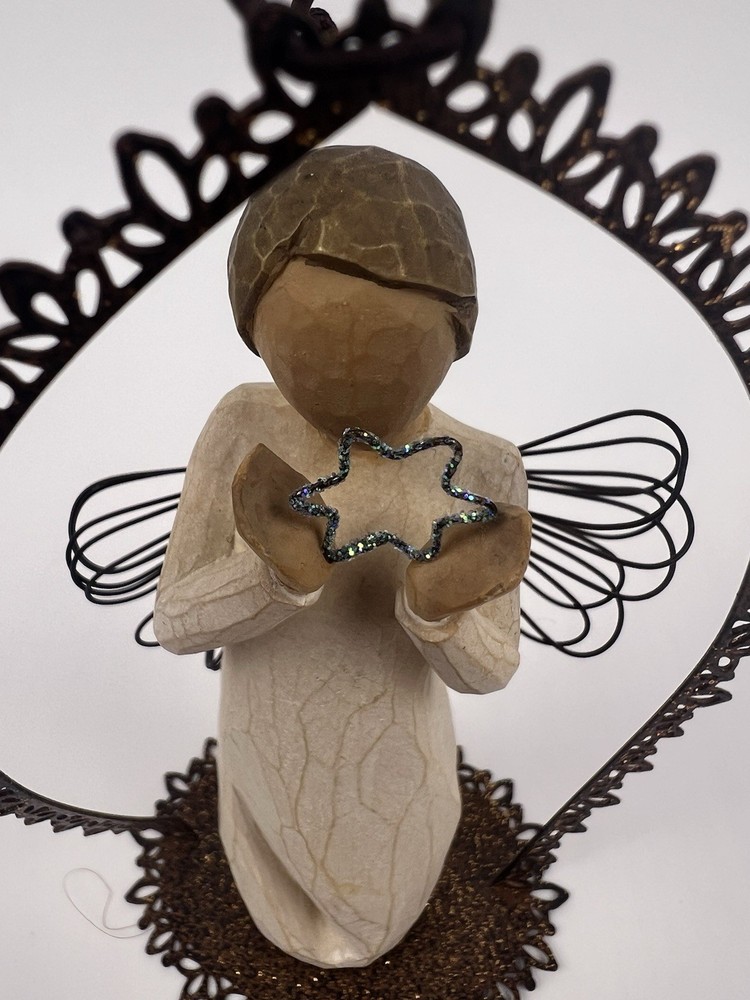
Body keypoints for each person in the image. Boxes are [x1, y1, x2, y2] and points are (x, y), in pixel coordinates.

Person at [153, 145, 531, 968]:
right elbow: (174, 621)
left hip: (398, 767)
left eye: (395, 353)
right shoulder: (246, 425)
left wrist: (437, 609)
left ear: (457, 334)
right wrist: (270, 575)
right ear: (256, 331)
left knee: (378, 909)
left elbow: (493, 667)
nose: (350, 387)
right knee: (284, 903)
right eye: (311, 356)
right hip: (265, 744)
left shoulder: (486, 468)